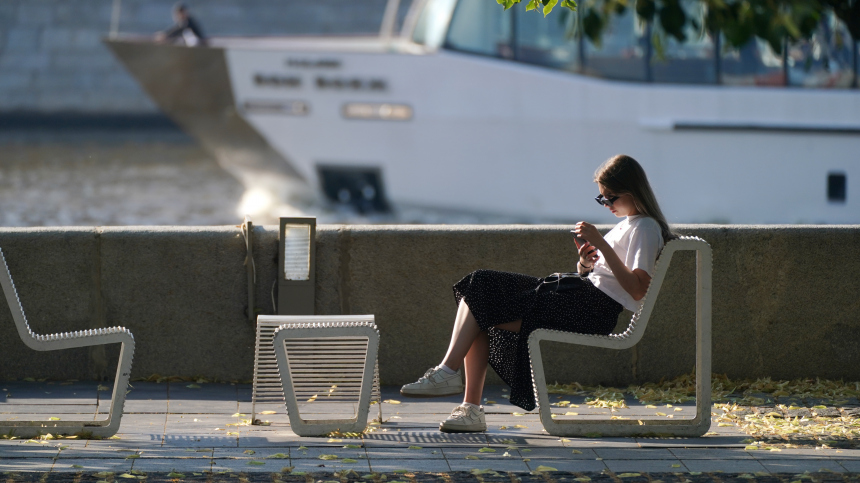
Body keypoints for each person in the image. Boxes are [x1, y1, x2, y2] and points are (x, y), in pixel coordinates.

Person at [400, 154, 674, 433]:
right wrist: (585, 263)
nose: (606, 204)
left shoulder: (646, 227)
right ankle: (461, 395)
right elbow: (606, 277)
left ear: (632, 191)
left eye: (610, 198)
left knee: (482, 293)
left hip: (592, 309)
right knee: (478, 286)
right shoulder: (630, 223)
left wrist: (601, 244)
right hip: (580, 297)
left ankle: (454, 383)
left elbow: (638, 289)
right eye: (601, 199)